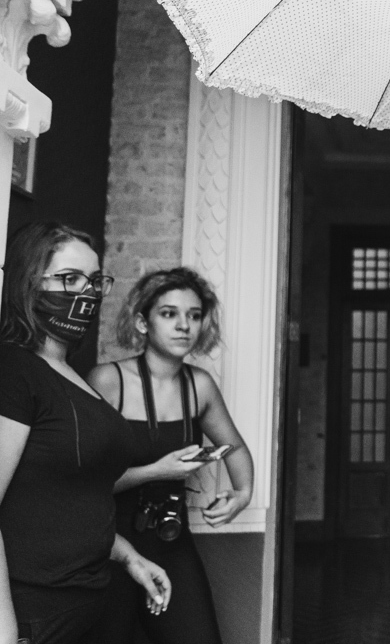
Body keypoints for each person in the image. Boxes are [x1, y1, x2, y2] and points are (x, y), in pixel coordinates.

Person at [0, 222, 171, 644]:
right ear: (27, 282)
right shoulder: (14, 371)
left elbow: (70, 499)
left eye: (94, 281)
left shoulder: (71, 374)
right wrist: (4, 630)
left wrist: (129, 557)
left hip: (93, 600)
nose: (87, 292)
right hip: (37, 610)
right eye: (69, 278)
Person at [85, 267, 254, 644]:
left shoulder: (200, 385)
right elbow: (83, 484)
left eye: (194, 315)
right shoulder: (107, 380)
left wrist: (243, 493)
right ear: (142, 323)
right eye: (169, 313)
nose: (184, 325)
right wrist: (156, 471)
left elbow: (235, 447)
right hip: (108, 542)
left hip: (171, 538)